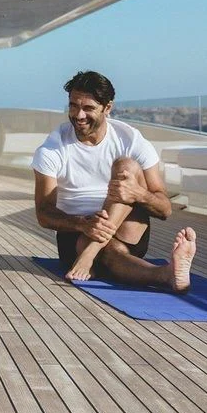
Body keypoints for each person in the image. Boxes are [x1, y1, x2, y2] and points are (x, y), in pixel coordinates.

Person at [32, 70, 196, 291]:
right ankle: (166, 274)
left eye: (88, 108)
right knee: (107, 250)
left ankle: (91, 253)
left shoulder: (131, 140)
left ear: (107, 108)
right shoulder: (52, 149)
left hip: (128, 229)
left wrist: (138, 193)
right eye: (73, 106)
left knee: (126, 166)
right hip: (76, 234)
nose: (79, 115)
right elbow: (44, 213)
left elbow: (165, 209)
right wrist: (83, 224)